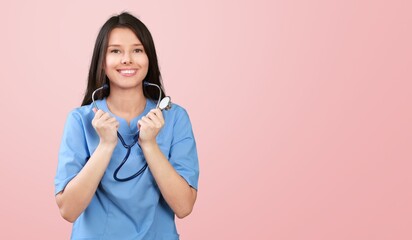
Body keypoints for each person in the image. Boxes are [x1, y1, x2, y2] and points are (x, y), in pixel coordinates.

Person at [54, 12, 199, 240]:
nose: (127, 59)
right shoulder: (80, 120)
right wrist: (105, 145)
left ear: (149, 57)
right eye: (115, 51)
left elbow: (184, 206)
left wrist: (150, 144)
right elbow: (68, 210)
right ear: (102, 61)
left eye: (137, 50)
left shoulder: (175, 118)